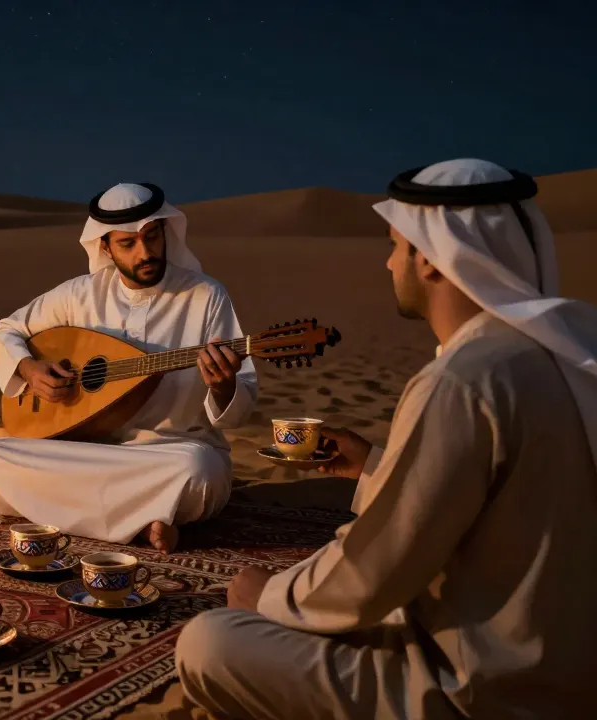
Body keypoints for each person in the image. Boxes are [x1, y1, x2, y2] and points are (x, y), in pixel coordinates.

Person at [175, 159, 597, 719]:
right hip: (565, 671)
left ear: (430, 258)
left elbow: (372, 574)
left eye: (397, 245)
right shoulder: (565, 358)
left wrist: (267, 595)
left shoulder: (465, 379)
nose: (389, 260)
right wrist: (373, 465)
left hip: (482, 690)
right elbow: (508, 506)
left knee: (211, 642)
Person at [0, 182, 257, 553]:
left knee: (198, 470)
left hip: (169, 455)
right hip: (87, 450)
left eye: (153, 237)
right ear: (104, 246)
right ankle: (142, 521)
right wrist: (28, 369)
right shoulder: (79, 295)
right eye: (128, 244)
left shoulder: (205, 296)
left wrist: (223, 386)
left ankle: (96, 514)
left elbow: (238, 410)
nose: (146, 252)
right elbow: (6, 331)